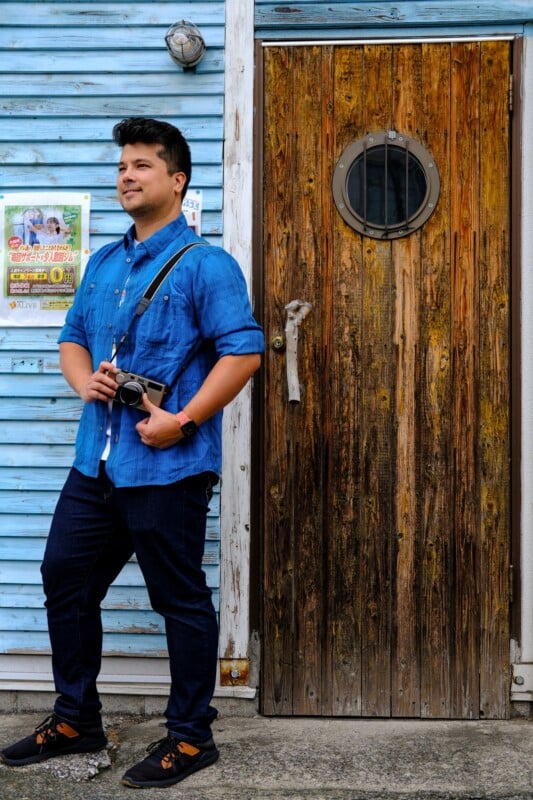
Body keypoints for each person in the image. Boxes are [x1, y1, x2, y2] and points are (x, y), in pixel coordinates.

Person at [0, 117, 264, 789]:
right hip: (97, 461)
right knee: (64, 575)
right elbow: (71, 336)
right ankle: (75, 717)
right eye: (122, 165)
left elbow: (244, 352)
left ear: (176, 180)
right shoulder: (103, 263)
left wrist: (182, 420)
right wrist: (79, 376)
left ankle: (190, 737)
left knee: (177, 598)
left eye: (142, 165)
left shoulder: (207, 265)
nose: (126, 174)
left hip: (166, 465)